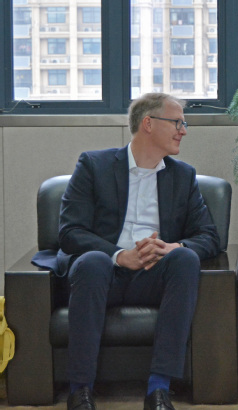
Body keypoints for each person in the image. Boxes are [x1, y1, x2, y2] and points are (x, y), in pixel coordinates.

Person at [58, 93, 219, 409]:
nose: (183, 131)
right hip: (103, 275)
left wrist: (174, 246)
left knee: (185, 258)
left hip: (153, 276)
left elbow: (209, 236)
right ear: (148, 123)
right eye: (177, 122)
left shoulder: (183, 176)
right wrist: (120, 255)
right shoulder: (94, 165)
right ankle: (80, 391)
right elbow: (69, 232)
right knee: (92, 261)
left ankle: (159, 390)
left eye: (184, 124)